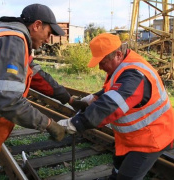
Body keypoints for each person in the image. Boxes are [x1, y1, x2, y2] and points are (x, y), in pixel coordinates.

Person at [0, 3, 86, 179]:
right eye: (49, 33)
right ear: (37, 25)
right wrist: (49, 124)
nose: (48, 40)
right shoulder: (14, 41)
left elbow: (39, 77)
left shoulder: (10, 38)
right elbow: (10, 102)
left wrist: (69, 99)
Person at [58, 33, 174, 180]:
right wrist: (94, 98)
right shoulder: (123, 64)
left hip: (151, 138)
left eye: (102, 62)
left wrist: (75, 123)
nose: (100, 67)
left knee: (126, 176)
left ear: (118, 55)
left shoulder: (135, 75)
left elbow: (111, 105)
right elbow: (114, 88)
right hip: (131, 138)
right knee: (118, 169)